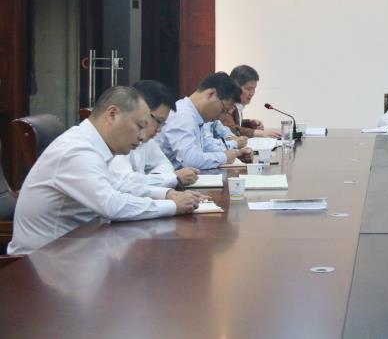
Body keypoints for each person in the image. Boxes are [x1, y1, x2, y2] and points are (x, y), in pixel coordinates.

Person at [8, 86, 202, 255]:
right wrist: (173, 206)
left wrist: (166, 194)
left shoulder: (93, 144)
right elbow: (112, 205)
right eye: (139, 126)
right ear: (112, 114)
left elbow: (117, 186)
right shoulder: (77, 150)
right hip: (40, 264)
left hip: (75, 248)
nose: (143, 137)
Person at [109, 80, 199, 188]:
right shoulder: (116, 137)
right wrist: (171, 178)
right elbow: (126, 181)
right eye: (159, 121)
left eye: (163, 123)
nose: (159, 129)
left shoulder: (145, 140)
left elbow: (165, 165)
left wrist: (157, 179)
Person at [156, 72, 251, 169]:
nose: (221, 117)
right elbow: (190, 160)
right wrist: (225, 157)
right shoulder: (182, 115)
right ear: (211, 94)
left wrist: (236, 153)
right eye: (223, 110)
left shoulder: (196, 116)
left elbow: (206, 147)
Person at [221, 65, 281, 139]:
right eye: (248, 89)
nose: (252, 93)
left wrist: (249, 123)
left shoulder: (238, 105)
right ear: (235, 87)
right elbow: (231, 130)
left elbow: (234, 123)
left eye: (254, 89)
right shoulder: (226, 106)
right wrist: (261, 133)